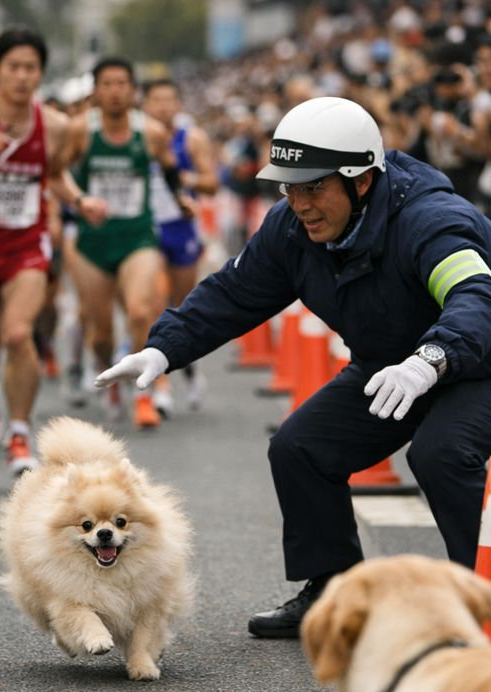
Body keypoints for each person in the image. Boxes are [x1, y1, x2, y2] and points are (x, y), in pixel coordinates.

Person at [96, 96, 491, 637]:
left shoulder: (432, 221)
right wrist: (163, 349)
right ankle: (332, 591)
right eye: (290, 187)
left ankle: (478, 600)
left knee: (440, 452)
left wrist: (431, 360)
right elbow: (233, 293)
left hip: (476, 361)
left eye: (314, 187)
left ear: (361, 181)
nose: (300, 203)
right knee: (300, 447)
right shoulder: (292, 229)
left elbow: (476, 298)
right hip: (392, 366)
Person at [0, 28, 105, 475]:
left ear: (41, 73)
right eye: (14, 67)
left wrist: (80, 201)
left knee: (18, 334)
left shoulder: (55, 126)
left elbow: (55, 175)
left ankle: (20, 434)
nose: (23, 77)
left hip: (26, 243)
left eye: (31, 68)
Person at [64, 57, 184, 429]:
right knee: (100, 332)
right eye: (107, 84)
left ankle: (143, 393)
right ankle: (108, 375)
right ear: (96, 91)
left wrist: (181, 198)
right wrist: (79, 200)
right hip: (93, 243)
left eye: (122, 84)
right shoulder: (80, 131)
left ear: (133, 91)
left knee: (139, 311)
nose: (115, 91)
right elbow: (55, 173)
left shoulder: (150, 132)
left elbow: (169, 167)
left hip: (137, 237)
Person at [141, 78, 218, 414]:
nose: (163, 107)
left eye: (169, 99)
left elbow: (212, 183)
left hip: (181, 228)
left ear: (178, 104)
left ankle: (189, 368)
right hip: (146, 229)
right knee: (152, 302)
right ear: (145, 104)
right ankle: (159, 383)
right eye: (156, 100)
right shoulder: (136, 137)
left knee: (182, 305)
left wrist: (183, 179)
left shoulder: (192, 138)